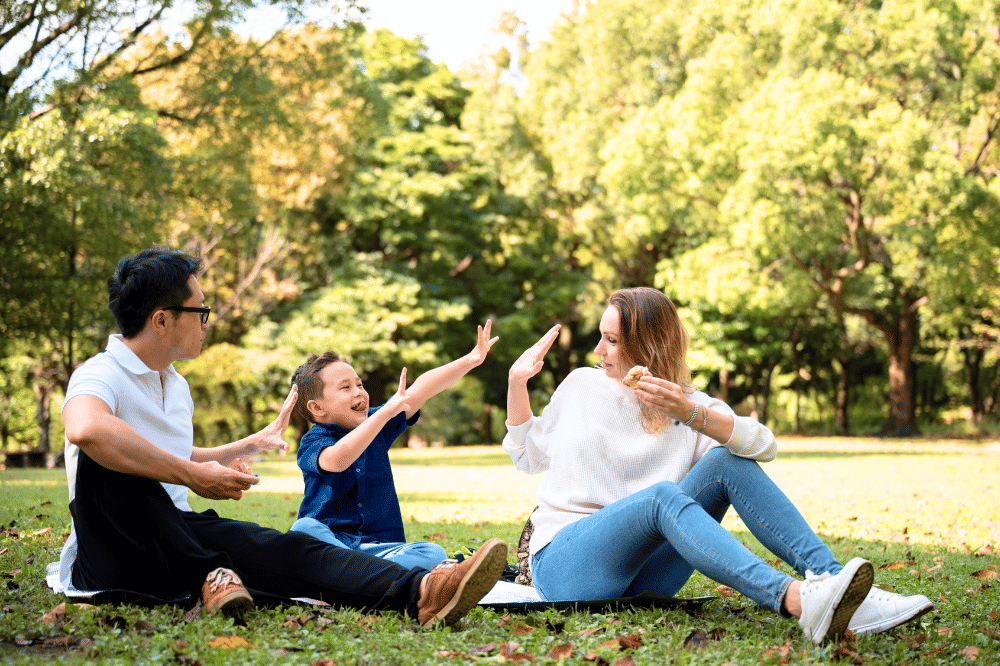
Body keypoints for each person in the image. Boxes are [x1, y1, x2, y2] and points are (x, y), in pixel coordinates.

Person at [48, 247, 507, 627]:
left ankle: (425, 592)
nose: (208, 321)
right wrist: (191, 475)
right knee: (103, 458)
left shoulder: (176, 384)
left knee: (292, 547)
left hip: (181, 536)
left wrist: (240, 449)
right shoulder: (100, 372)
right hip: (115, 552)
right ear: (162, 319)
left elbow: (166, 454)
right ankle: (210, 571)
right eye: (200, 311)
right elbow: (87, 429)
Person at [502, 287, 932, 644]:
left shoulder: (690, 404)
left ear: (651, 344)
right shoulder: (582, 386)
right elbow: (528, 456)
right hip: (566, 564)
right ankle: (797, 600)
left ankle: (839, 586)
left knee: (727, 459)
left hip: (646, 577)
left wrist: (691, 413)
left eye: (612, 340)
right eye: (601, 336)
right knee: (660, 499)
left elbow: (763, 445)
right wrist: (516, 383)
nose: (599, 349)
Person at [287, 321, 498, 570]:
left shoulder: (379, 421)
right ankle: (367, 573)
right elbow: (338, 459)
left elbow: (419, 389)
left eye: (359, 384)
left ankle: (356, 574)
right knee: (304, 529)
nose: (359, 392)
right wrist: (384, 413)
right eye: (345, 387)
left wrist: (471, 359)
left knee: (432, 552)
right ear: (317, 408)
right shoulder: (314, 441)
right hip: (332, 544)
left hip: (381, 548)